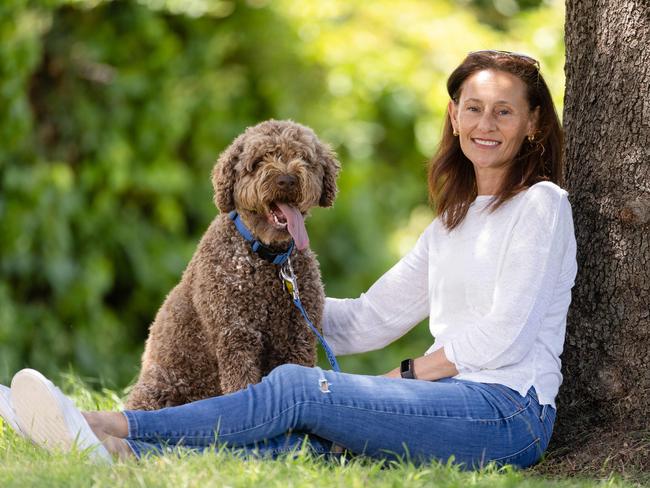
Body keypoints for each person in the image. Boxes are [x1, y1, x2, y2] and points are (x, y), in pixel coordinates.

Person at [0, 50, 576, 469]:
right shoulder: (452, 222)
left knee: (299, 389)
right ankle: (128, 453)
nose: (486, 124)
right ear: (454, 118)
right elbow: (369, 319)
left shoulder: (541, 206)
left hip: (507, 413)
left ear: (531, 125)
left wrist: (402, 376)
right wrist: (252, 297)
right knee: (307, 438)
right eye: (474, 108)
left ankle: (103, 424)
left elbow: (506, 335)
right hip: (445, 402)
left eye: (504, 112)